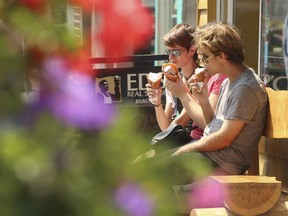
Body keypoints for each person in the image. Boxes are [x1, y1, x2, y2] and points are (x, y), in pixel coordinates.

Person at [144, 21, 268, 189]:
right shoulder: (230, 81)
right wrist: (203, 100)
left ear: (222, 56)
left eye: (205, 57)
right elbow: (212, 125)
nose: (202, 62)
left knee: (151, 172)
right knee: (147, 167)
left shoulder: (245, 87)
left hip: (223, 162)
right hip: (212, 154)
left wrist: (185, 149)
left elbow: (224, 139)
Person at [146, 23, 227, 142]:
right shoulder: (174, 79)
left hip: (198, 140)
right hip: (182, 138)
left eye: (177, 52)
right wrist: (157, 103)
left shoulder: (202, 77)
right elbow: (166, 127)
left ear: (192, 50)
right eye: (169, 52)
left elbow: (181, 121)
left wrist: (181, 90)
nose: (171, 57)